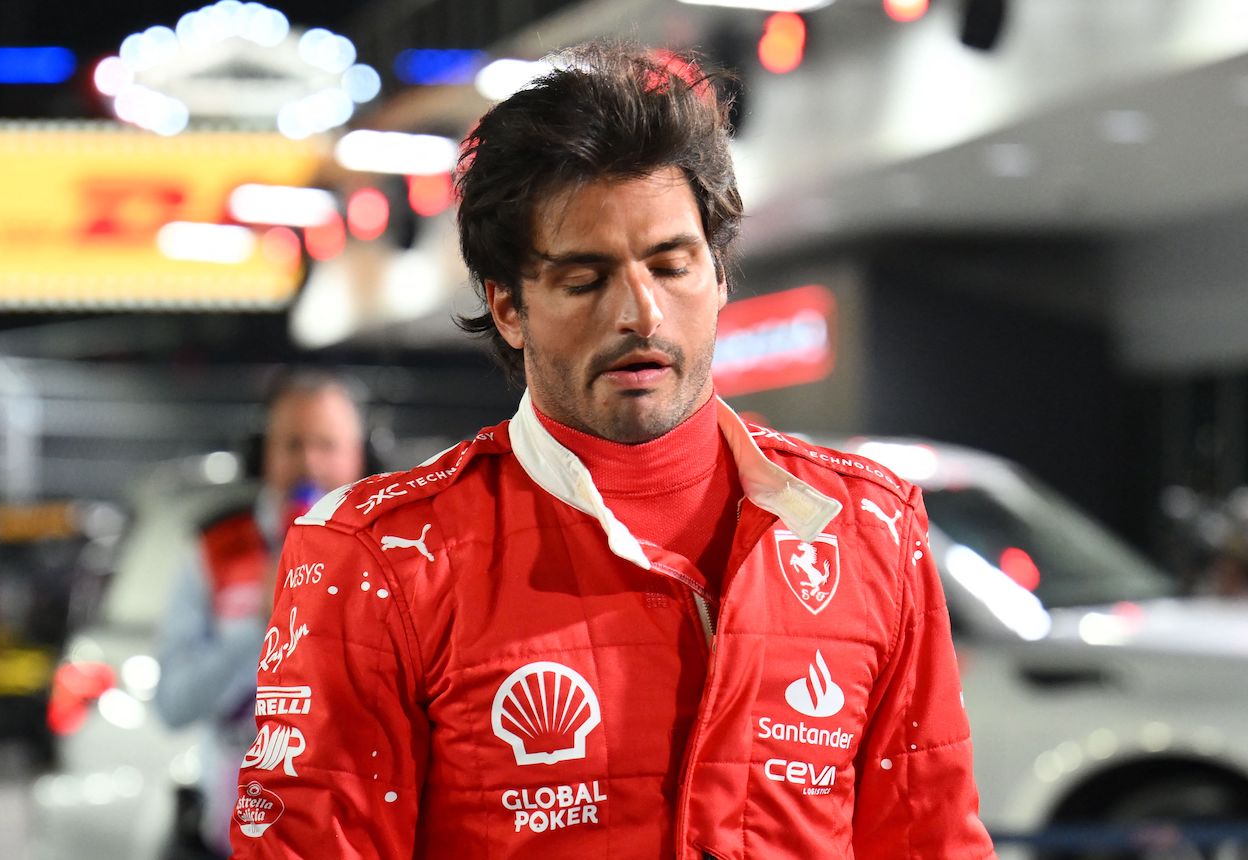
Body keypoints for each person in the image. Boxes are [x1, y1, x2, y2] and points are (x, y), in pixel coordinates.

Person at [231, 42, 994, 858]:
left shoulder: (869, 525)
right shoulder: (377, 557)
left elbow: (931, 839)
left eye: (671, 265)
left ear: (720, 274)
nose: (642, 313)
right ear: (509, 307)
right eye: (585, 280)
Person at [155, 370, 368, 859]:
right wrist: (262, 627)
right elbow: (171, 705)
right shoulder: (215, 552)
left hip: (352, 827)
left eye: (327, 444)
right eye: (292, 444)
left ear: (360, 455)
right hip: (234, 829)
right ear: (264, 453)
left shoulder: (396, 551)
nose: (310, 462)